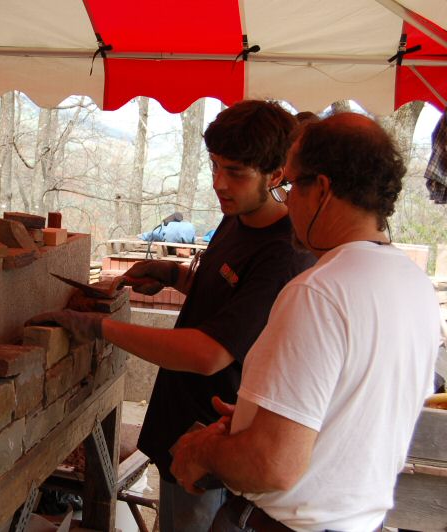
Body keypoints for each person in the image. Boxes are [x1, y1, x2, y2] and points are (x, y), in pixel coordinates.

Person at [31, 100, 315, 531]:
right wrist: (171, 274)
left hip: (215, 437)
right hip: (179, 422)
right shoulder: (236, 218)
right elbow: (228, 295)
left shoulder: (282, 254)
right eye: (215, 166)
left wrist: (103, 327)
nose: (220, 183)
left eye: (235, 172)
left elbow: (209, 354)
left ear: (277, 175)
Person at [170, 113, 441, 531]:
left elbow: (271, 465)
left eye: (292, 185)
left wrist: (201, 451)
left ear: (323, 189)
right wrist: (252, 420)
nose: (288, 199)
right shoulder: (415, 287)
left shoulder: (318, 292)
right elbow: (349, 418)